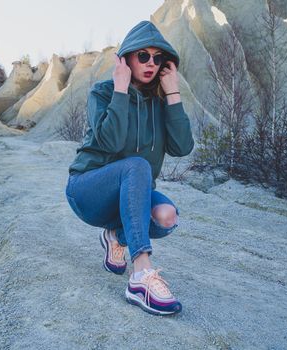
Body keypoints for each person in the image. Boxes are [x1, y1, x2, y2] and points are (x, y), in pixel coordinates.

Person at [65, 21, 194, 316]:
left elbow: (182, 147)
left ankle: (116, 236)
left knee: (166, 217)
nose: (151, 63)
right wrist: (121, 89)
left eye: (157, 58)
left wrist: (172, 93)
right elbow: (109, 142)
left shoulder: (160, 101)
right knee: (135, 166)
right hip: (87, 190)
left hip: (130, 196)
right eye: (143, 56)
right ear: (127, 58)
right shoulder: (103, 92)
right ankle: (141, 276)